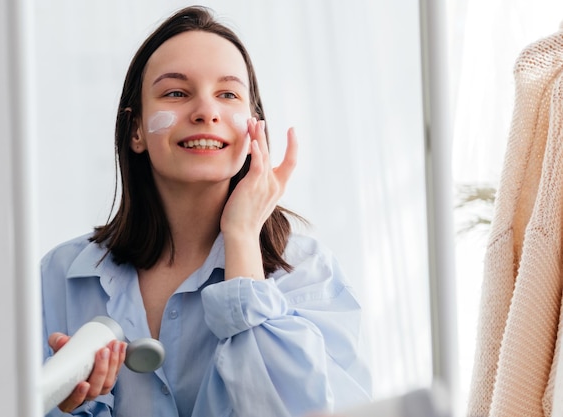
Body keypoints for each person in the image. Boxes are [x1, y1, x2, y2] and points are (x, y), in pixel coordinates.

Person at [41, 5, 371, 417]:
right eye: (176, 93)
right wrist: (59, 406)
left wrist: (243, 237)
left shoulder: (306, 272)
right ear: (136, 131)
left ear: (255, 128)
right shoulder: (59, 277)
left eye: (228, 94)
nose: (206, 112)